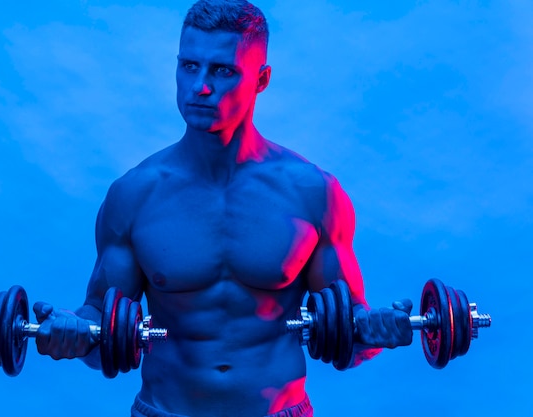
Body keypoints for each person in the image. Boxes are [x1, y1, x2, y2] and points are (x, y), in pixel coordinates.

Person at [33, 1, 413, 416]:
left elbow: (351, 339)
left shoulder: (312, 193)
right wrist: (70, 330)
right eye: (189, 66)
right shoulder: (135, 195)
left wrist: (379, 330)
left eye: (222, 70)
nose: (200, 86)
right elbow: (103, 335)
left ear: (261, 80)